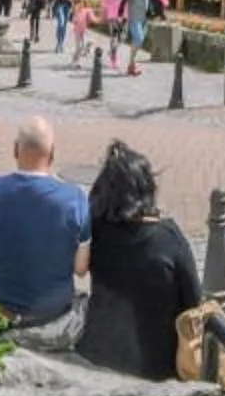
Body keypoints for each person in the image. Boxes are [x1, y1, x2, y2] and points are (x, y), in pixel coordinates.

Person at [72, 141, 203, 381]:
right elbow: (194, 301)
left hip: (99, 355)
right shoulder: (167, 238)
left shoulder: (95, 231)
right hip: (157, 367)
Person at [0, 117, 92, 348]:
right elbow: (81, 269)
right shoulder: (75, 199)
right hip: (53, 318)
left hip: (1, 314)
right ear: (52, 153)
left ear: (15, 150)